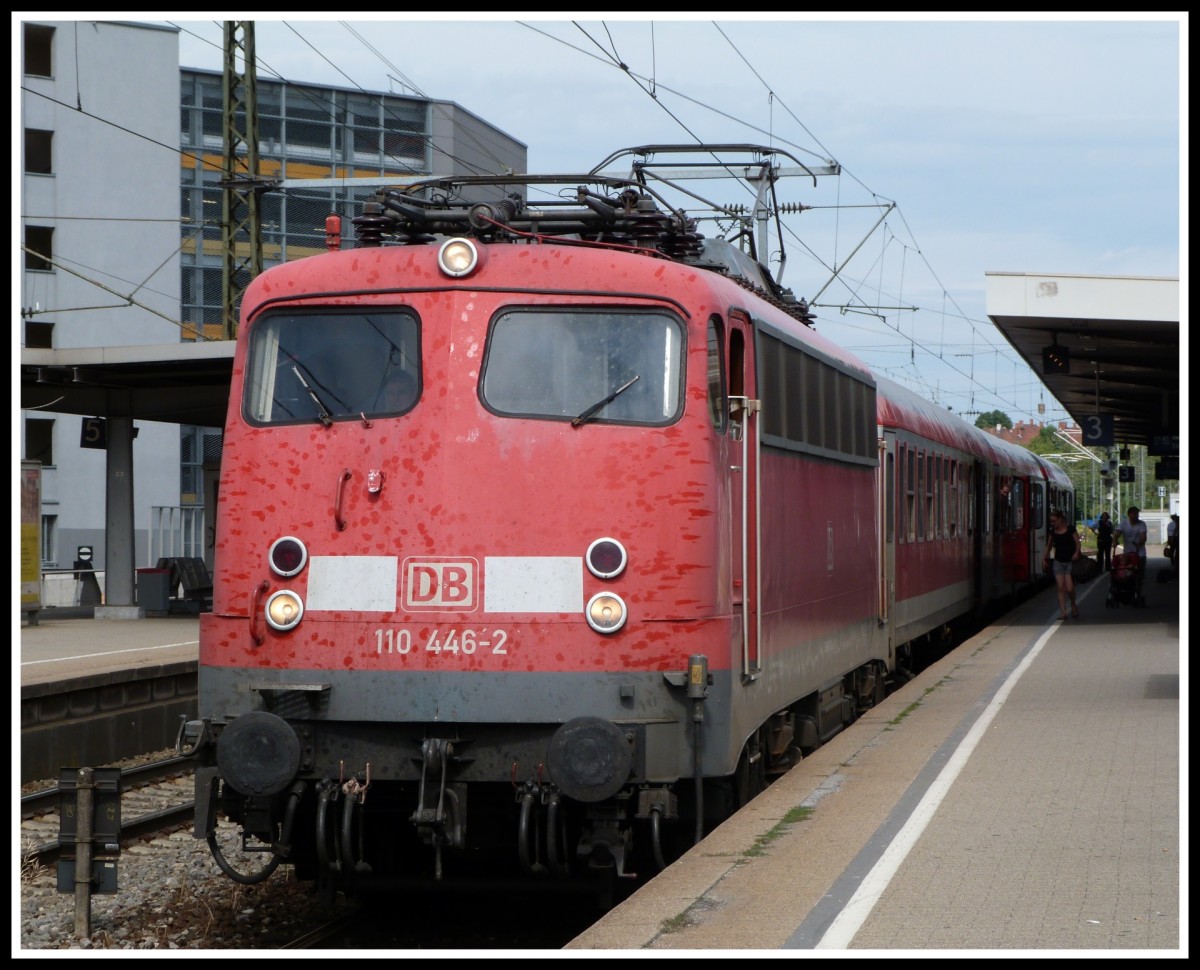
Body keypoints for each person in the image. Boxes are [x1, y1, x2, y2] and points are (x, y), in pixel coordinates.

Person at [1042, 509, 1081, 621]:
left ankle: (1073, 604)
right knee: (1060, 587)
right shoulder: (1052, 532)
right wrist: (1044, 558)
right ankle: (1063, 612)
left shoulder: (1070, 529)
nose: (1052, 523)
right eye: (1051, 521)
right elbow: (1049, 546)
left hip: (1069, 562)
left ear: (1060, 519)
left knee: (1069, 588)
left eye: (1054, 521)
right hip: (1058, 562)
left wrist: (1076, 553)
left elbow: (1077, 543)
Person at [1116, 505, 1148, 598]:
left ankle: (1138, 590)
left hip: (1140, 553)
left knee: (1140, 573)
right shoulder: (1123, 523)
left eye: (1137, 514)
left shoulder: (1142, 524)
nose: (1136, 516)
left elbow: (1143, 536)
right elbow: (1117, 533)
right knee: (1127, 571)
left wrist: (1139, 543)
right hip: (1128, 553)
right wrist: (1115, 540)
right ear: (1129, 514)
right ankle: (1127, 589)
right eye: (1134, 514)